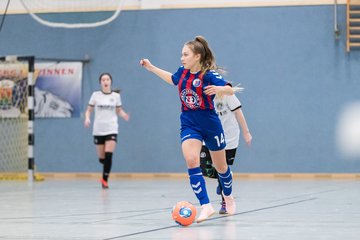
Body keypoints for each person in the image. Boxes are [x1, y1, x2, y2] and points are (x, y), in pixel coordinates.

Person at [140, 36, 240, 223]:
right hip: (189, 123)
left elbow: (230, 90)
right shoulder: (182, 72)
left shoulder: (209, 75)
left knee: (221, 167)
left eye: (185, 54)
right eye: (181, 54)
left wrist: (219, 90)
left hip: (210, 124)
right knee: (191, 159)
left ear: (197, 56)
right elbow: (172, 79)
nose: (182, 58)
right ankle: (206, 205)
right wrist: (151, 67)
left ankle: (228, 196)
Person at [200, 93, 252, 214]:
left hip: (229, 138)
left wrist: (246, 132)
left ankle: (225, 202)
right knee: (205, 169)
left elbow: (238, 112)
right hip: (208, 136)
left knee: (222, 168)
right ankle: (225, 176)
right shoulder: (200, 93)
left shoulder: (226, 94)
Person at [84, 73, 129, 189]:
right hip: (98, 130)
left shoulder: (116, 96)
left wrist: (124, 115)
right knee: (102, 158)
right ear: (100, 82)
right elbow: (88, 110)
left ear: (110, 81)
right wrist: (87, 118)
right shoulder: (95, 95)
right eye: (103, 79)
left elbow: (119, 110)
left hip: (112, 128)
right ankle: (105, 165)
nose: (105, 81)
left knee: (109, 155)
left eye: (107, 79)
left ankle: (105, 179)